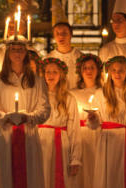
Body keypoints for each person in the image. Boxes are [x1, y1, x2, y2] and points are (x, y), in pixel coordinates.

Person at [0, 41, 50, 188]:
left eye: (21, 49)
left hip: (28, 134)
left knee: (30, 175)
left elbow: (45, 110)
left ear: (26, 53)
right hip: (5, 135)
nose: (17, 53)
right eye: (13, 49)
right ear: (8, 53)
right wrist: (5, 117)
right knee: (5, 175)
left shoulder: (37, 81)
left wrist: (29, 117)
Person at [87, 56, 126, 188]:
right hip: (108, 143)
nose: (117, 73)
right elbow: (94, 125)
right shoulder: (101, 93)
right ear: (109, 73)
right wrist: (93, 119)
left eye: (121, 70)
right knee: (109, 177)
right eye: (114, 70)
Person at [38, 57, 81, 188]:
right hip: (41, 142)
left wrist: (75, 158)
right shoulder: (37, 96)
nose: (51, 75)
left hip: (61, 143)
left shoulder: (69, 99)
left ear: (61, 75)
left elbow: (74, 130)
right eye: (48, 72)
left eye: (55, 72)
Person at [69, 53, 102, 188]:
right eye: (85, 68)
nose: (88, 71)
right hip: (79, 136)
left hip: (98, 136)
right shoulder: (73, 93)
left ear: (98, 71)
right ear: (80, 71)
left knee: (96, 169)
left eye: (92, 68)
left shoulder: (103, 92)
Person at [46, 22, 82, 89]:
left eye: (64, 33)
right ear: (54, 36)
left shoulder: (80, 58)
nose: (61, 36)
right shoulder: (48, 59)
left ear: (71, 35)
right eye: (57, 33)